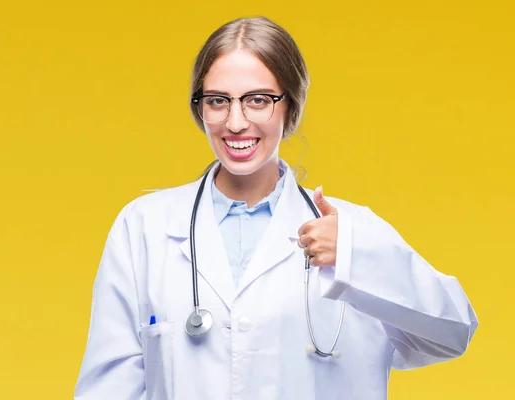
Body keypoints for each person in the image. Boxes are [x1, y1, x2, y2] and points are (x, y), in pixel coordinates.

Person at [73, 16, 478, 400]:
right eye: (218, 101)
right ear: (200, 107)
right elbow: (108, 389)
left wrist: (357, 258)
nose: (235, 122)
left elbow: (452, 332)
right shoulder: (143, 227)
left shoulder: (350, 232)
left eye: (258, 100)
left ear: (290, 104)